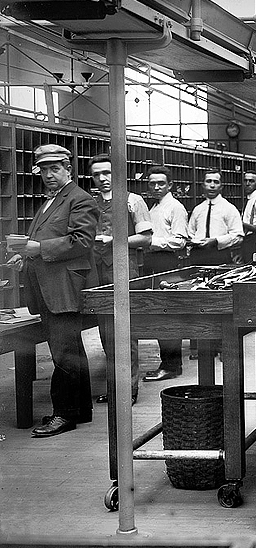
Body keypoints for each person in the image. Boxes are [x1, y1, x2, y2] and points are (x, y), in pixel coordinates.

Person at [7, 145, 98, 437]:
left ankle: (64, 415)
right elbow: (44, 238)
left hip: (64, 289)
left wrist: (38, 249)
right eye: (43, 170)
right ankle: (79, 410)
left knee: (63, 352)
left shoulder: (79, 199)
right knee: (70, 350)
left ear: (68, 169)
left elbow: (82, 241)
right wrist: (25, 255)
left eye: (54, 169)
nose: (48, 175)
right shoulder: (51, 201)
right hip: (49, 287)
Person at [88, 155, 153, 404]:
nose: (103, 179)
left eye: (107, 173)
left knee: (126, 332)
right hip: (98, 271)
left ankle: (129, 389)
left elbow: (146, 238)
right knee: (106, 332)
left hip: (125, 270)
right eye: (97, 175)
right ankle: (116, 388)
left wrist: (115, 241)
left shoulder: (133, 200)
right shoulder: (92, 202)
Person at [142, 165, 189, 382]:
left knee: (167, 314)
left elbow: (180, 241)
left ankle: (172, 365)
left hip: (167, 262)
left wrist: (152, 242)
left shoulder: (175, 207)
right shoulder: (153, 207)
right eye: (152, 183)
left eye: (161, 183)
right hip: (153, 262)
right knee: (159, 314)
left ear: (170, 185)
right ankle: (168, 362)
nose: (156, 187)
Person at [187, 170, 243, 266]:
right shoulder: (198, 209)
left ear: (221, 186)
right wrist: (193, 243)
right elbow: (190, 232)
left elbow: (238, 236)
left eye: (216, 182)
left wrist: (216, 241)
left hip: (219, 255)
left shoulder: (229, 208)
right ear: (203, 185)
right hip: (197, 256)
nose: (212, 185)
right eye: (208, 181)